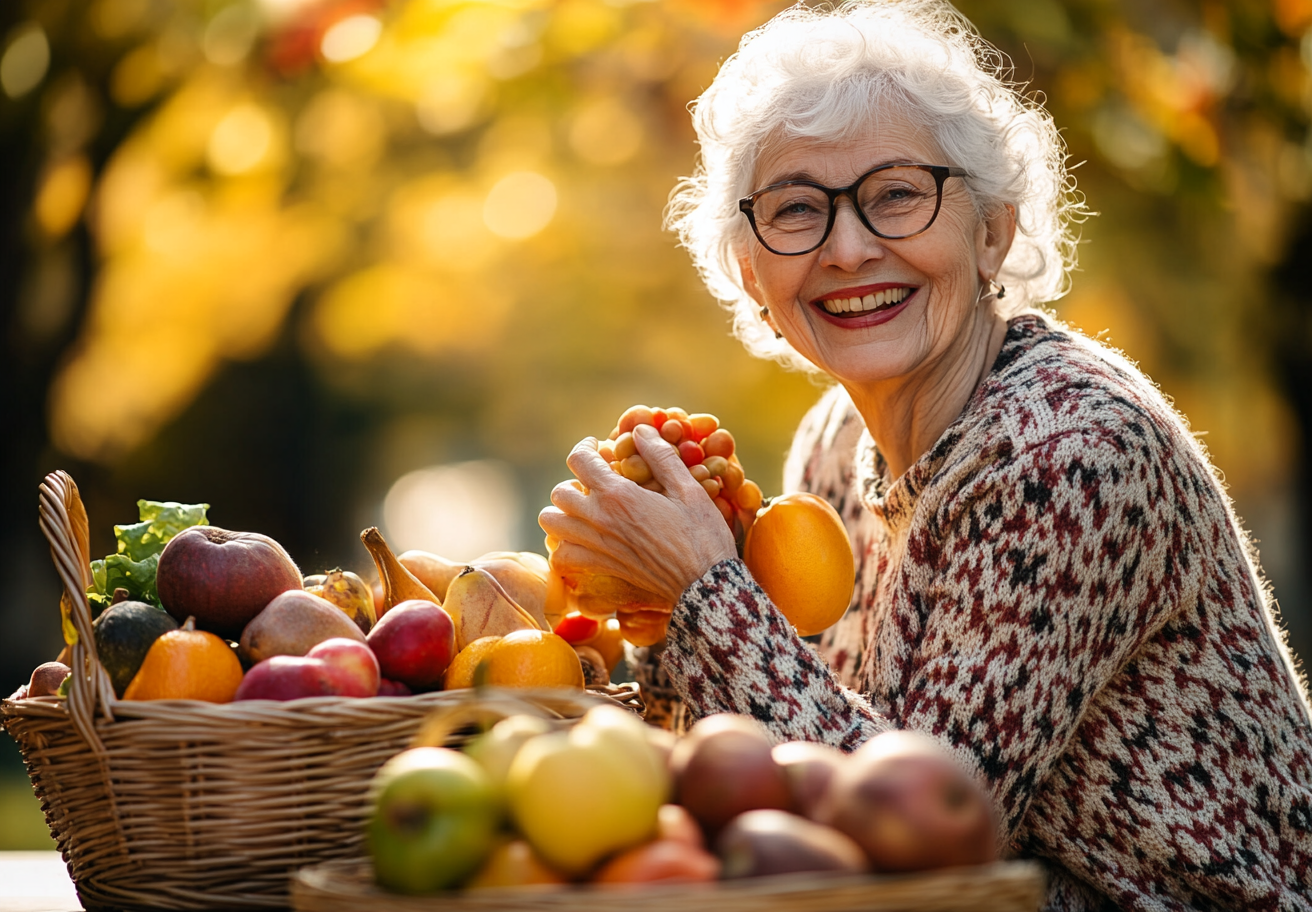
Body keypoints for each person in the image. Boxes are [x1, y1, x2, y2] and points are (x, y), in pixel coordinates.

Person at [538, 1, 1312, 907]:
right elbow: (784, 780)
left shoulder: (1070, 453)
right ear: (752, 270)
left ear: (992, 230)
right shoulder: (834, 444)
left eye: (897, 194)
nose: (849, 248)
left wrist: (707, 592)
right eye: (796, 210)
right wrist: (657, 613)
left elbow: (920, 840)